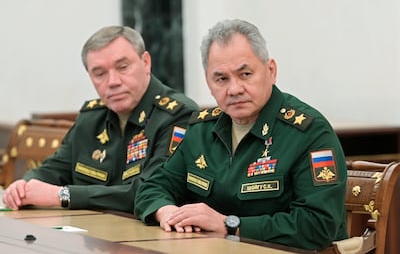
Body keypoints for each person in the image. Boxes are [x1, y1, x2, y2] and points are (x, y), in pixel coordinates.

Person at [134, 19, 348, 250]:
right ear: (208, 82)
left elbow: (318, 225)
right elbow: (152, 187)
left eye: (245, 74)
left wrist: (230, 226)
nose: (234, 89)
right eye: (221, 79)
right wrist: (167, 212)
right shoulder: (201, 129)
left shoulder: (309, 132)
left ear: (271, 71)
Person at [2, 26, 199, 213]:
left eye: (122, 67)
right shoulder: (92, 117)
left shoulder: (177, 115)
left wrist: (63, 195)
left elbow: (149, 191)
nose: (113, 82)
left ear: (146, 63)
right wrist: (24, 186)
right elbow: (53, 169)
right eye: (100, 74)